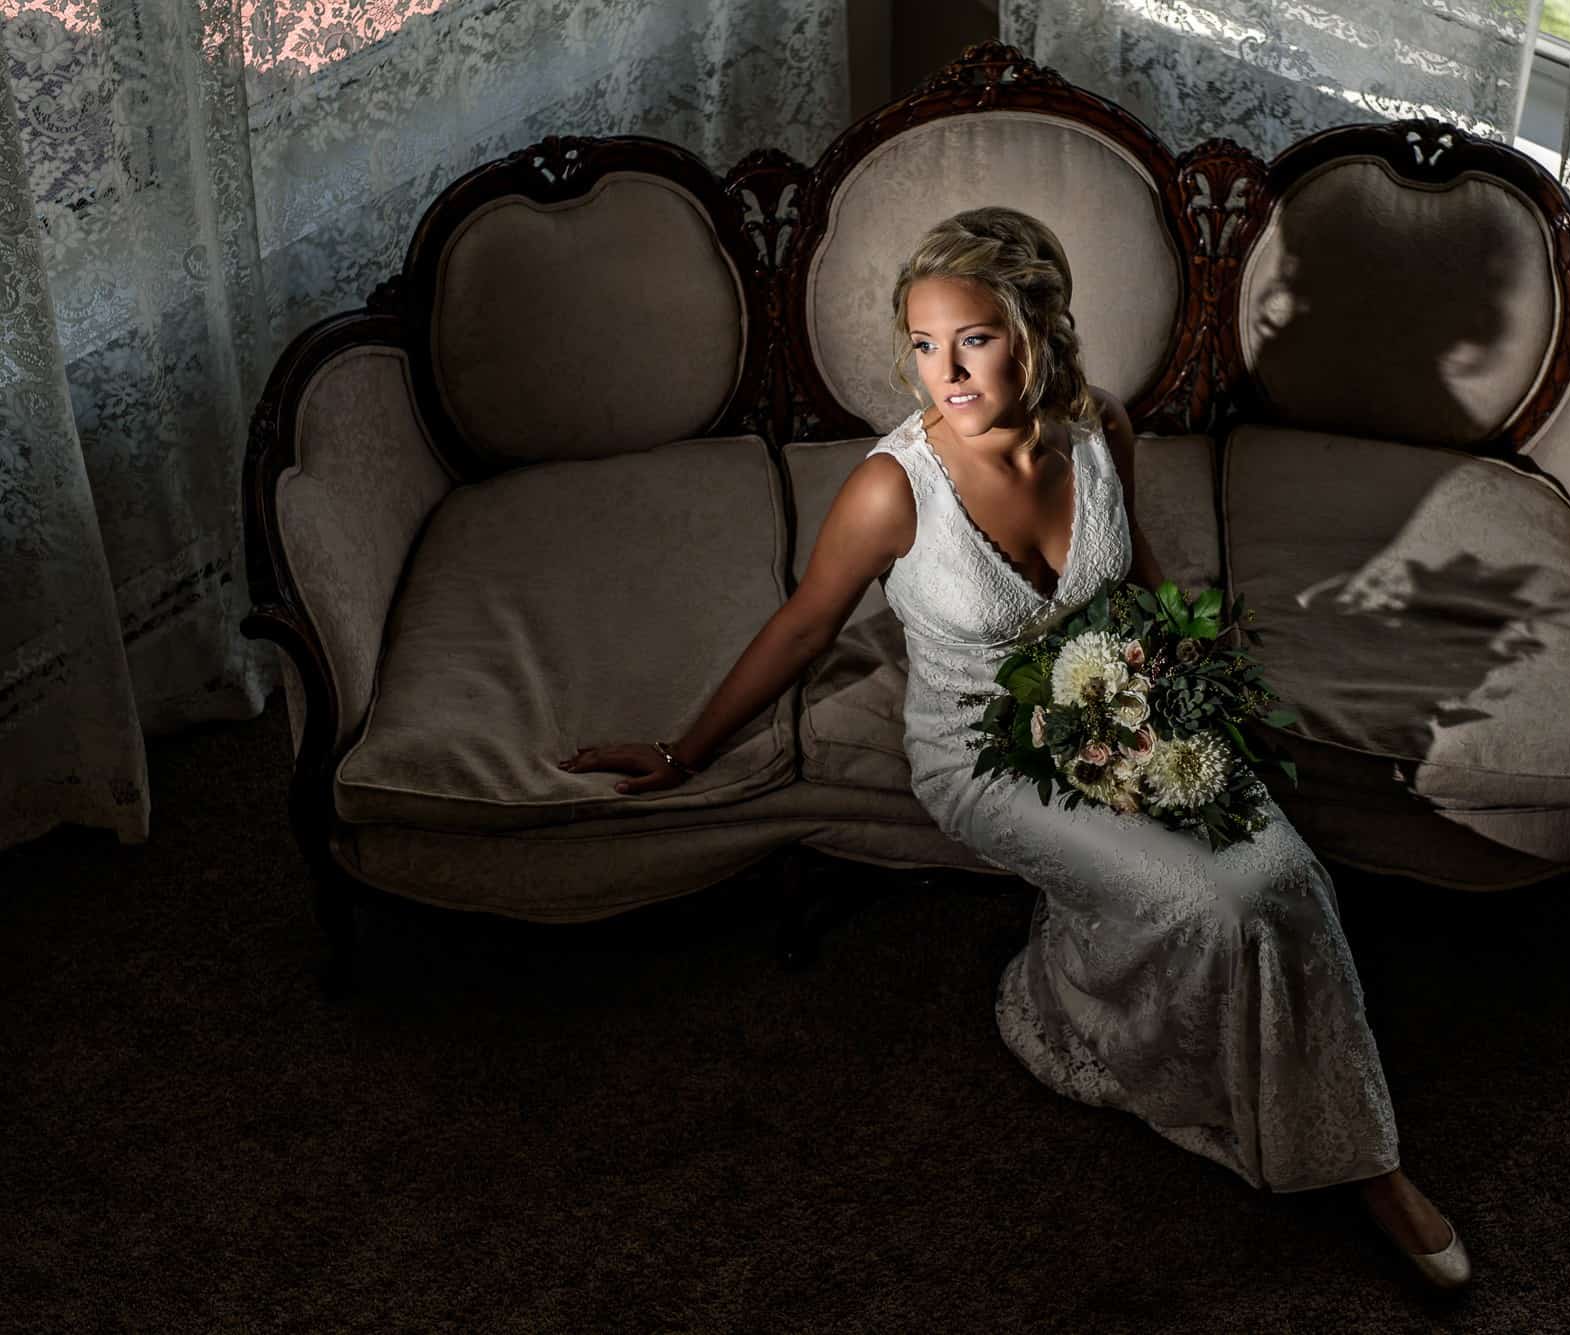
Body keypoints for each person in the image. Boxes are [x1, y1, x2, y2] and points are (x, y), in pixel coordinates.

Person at [563, 207, 1471, 1290]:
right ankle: (1096, 1016)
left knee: (1286, 875)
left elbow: (1133, 581)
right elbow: (806, 623)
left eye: (972, 339)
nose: (941, 371)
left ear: (1032, 331)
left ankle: (1369, 1162)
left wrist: (1188, 676)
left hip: (1122, 699)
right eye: (920, 343)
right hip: (981, 755)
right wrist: (685, 749)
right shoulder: (889, 488)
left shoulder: (1100, 431)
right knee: (1211, 904)